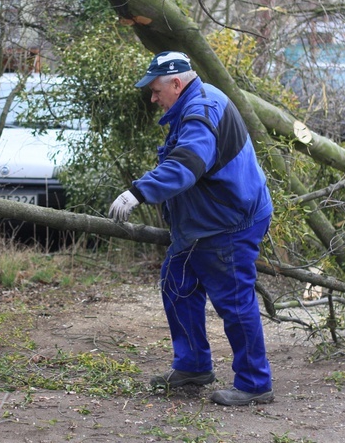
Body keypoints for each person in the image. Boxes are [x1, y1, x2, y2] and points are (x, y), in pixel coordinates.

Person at [108, 51, 275, 406]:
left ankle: (255, 383)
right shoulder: (193, 104)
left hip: (228, 223)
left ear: (176, 83)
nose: (153, 98)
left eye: (155, 90)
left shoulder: (201, 112)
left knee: (234, 301)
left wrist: (139, 191)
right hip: (203, 223)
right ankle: (194, 365)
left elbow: (187, 164)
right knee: (176, 282)